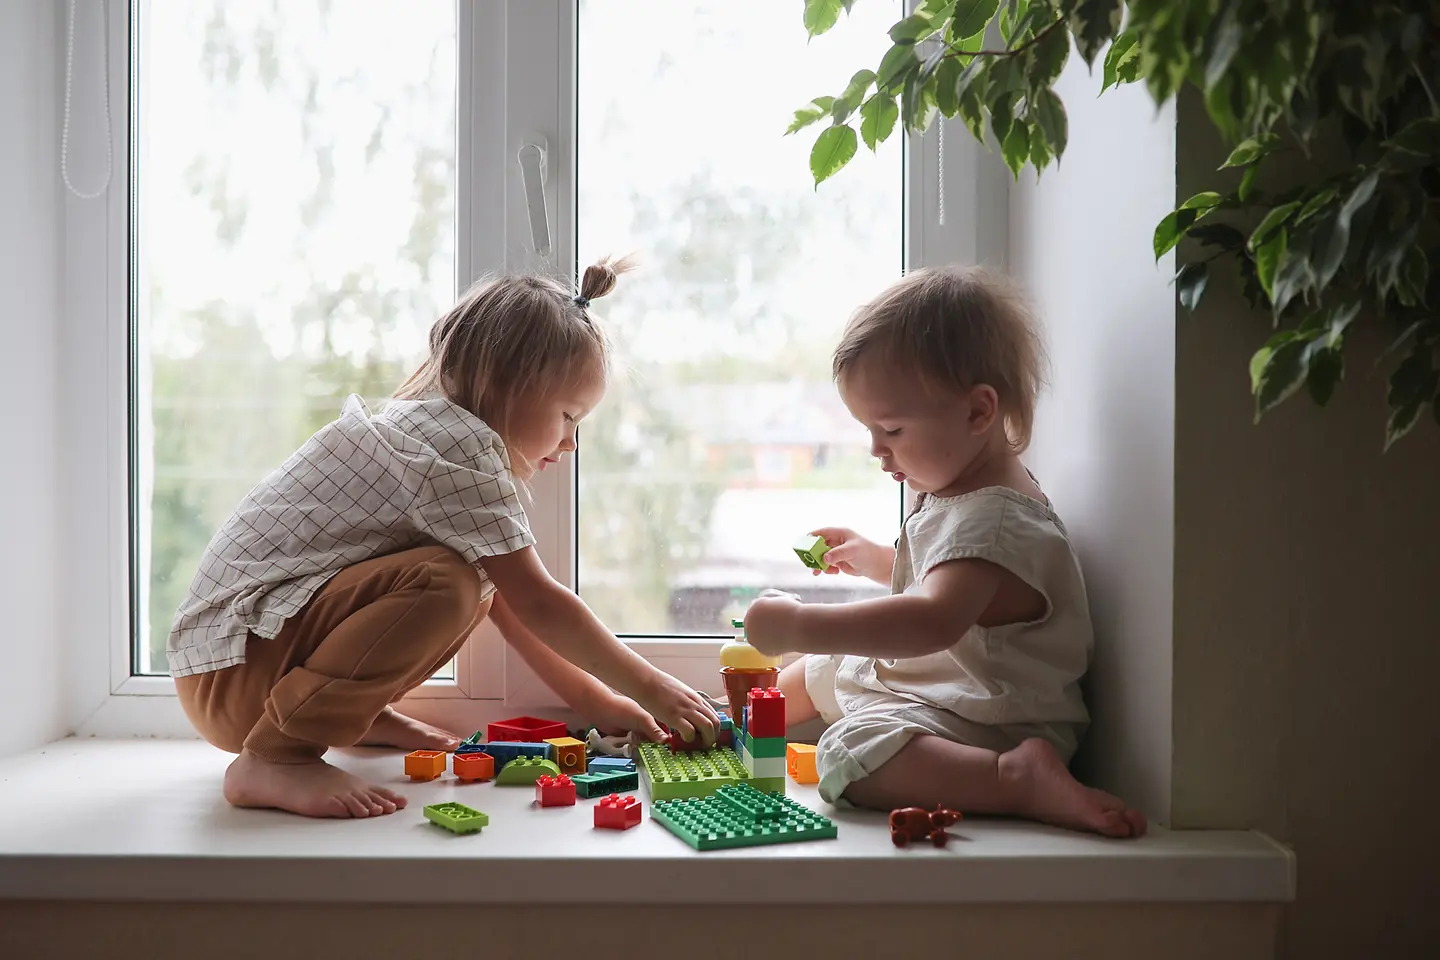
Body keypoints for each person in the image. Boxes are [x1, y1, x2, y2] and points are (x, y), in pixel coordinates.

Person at [168, 257, 718, 819]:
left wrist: (604, 705)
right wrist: (653, 688)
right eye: (568, 416)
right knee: (446, 583)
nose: (571, 443)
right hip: (231, 675)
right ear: (509, 387)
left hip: (237, 669)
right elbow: (539, 602)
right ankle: (275, 756)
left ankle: (349, 714)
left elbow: (510, 606)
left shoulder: (438, 444)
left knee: (470, 581)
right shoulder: (457, 450)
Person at [743, 266, 1146, 838]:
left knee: (848, 753)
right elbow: (955, 590)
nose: (877, 450)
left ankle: (1014, 778)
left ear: (978, 412)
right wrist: (880, 559)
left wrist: (799, 624)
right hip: (951, 689)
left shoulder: (995, 519)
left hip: (991, 720)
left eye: (891, 430)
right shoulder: (963, 495)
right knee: (834, 668)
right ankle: (726, 722)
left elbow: (932, 619)